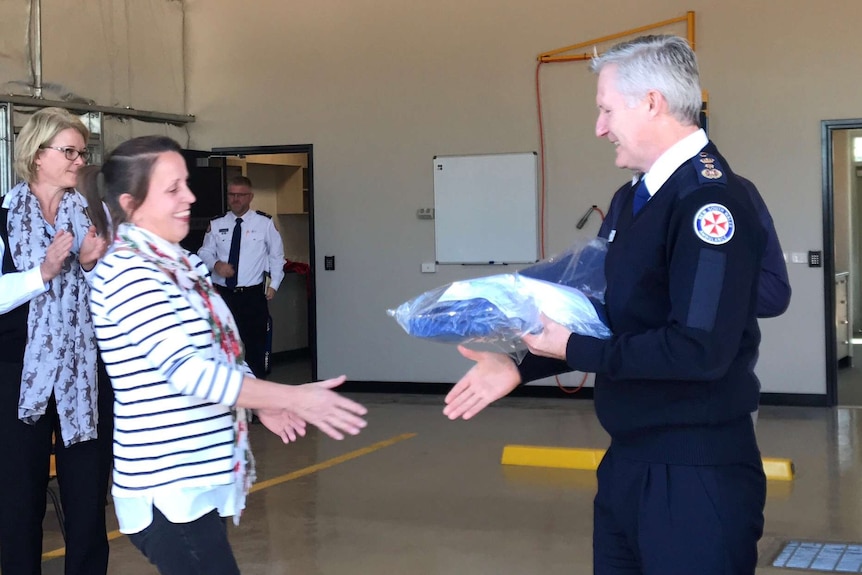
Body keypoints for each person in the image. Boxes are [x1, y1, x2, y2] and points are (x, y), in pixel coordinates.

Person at [443, 35, 767, 574]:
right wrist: (520, 366)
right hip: (629, 462)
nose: (599, 126)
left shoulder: (709, 203)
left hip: (693, 475)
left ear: (652, 103)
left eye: (605, 108)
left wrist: (573, 347)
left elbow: (699, 352)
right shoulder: (632, 199)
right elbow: (607, 323)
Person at [85, 135, 367, 575]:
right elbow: (189, 372)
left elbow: (221, 346)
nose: (190, 197)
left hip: (201, 474)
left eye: (186, 184)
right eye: (172, 188)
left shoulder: (178, 264)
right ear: (130, 203)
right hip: (168, 485)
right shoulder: (128, 273)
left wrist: (256, 402)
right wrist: (286, 398)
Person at [0, 107, 112, 575]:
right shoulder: (2, 215)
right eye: (68, 151)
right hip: (19, 377)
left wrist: (89, 265)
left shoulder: (94, 214)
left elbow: (118, 291)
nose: (77, 161)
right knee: (18, 502)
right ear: (37, 154)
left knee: (86, 504)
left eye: (81, 153)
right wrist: (41, 273)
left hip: (83, 376)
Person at [198, 175, 284, 378]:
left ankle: (256, 404)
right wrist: (216, 265)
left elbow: (277, 256)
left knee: (255, 348)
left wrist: (275, 284)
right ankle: (227, 399)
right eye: (232, 194)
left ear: (250, 197)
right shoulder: (217, 223)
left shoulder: (265, 223)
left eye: (241, 195)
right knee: (222, 347)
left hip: (252, 296)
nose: (235, 199)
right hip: (223, 295)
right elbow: (204, 252)